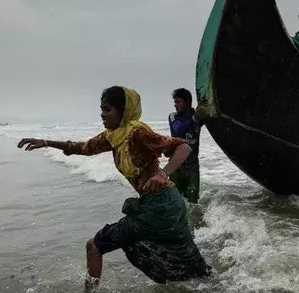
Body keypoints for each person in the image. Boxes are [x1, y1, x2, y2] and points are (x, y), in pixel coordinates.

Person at [16, 86, 211, 289]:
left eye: (107, 109)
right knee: (192, 267)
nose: (102, 114)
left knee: (94, 246)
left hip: (160, 206)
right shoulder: (113, 137)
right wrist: (47, 142)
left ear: (123, 111)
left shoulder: (137, 134)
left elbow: (184, 147)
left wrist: (162, 173)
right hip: (166, 206)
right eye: (101, 109)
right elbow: (82, 147)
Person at [167, 88, 203, 204]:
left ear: (187, 102)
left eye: (178, 102)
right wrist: (194, 119)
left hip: (193, 169)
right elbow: (178, 129)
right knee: (176, 204)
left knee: (193, 205)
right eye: (175, 102)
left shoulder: (198, 116)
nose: (175, 105)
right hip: (176, 168)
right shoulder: (173, 116)